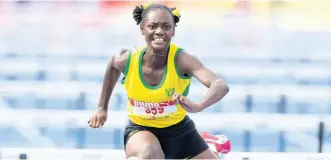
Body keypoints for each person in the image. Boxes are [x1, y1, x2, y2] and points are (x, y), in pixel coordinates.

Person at [88, 2, 230, 159]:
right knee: (149, 154)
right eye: (153, 26)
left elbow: (220, 85)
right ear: (142, 28)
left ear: (173, 31)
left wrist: (199, 106)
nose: (160, 32)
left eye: (166, 27)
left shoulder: (182, 60)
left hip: (180, 131)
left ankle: (211, 146)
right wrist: (102, 107)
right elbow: (113, 64)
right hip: (141, 130)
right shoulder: (128, 61)